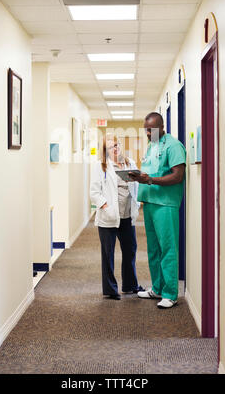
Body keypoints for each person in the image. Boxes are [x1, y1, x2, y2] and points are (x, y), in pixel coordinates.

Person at [129, 112, 186, 309]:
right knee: (153, 250)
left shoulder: (173, 146)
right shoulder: (152, 144)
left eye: (151, 130)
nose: (147, 133)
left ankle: (170, 293)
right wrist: (139, 177)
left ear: (162, 127)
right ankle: (158, 288)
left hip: (166, 204)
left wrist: (150, 180)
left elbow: (178, 176)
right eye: (146, 130)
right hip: (150, 202)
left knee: (168, 249)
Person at [90, 134, 144, 300]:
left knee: (130, 251)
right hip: (109, 218)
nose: (116, 148)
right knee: (108, 254)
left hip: (127, 215)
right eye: (111, 146)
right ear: (105, 150)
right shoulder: (101, 166)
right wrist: (107, 208)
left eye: (117, 144)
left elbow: (136, 185)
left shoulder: (130, 163)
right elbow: (94, 193)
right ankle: (110, 290)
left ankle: (130, 285)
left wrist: (138, 203)